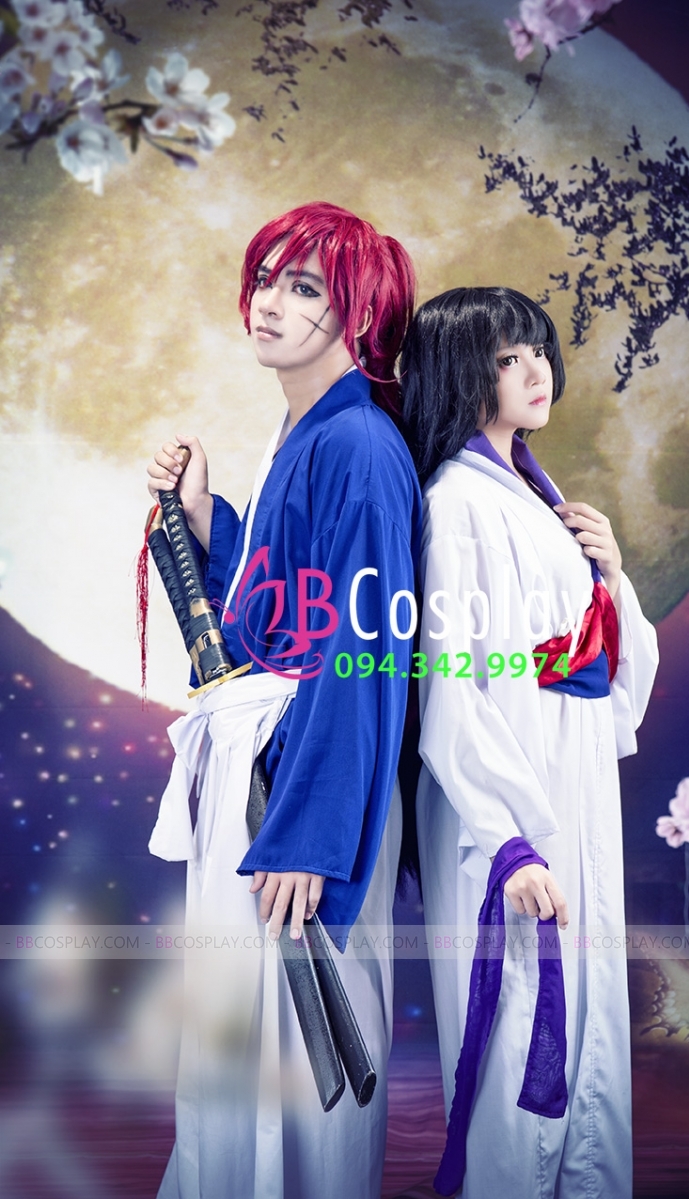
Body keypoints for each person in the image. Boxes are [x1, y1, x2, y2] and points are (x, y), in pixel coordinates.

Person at [146, 201, 422, 1199]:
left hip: (305, 779)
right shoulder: (310, 430)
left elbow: (363, 652)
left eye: (303, 286)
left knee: (296, 1050)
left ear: (361, 313)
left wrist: (310, 830)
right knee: (242, 1035)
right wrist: (204, 519)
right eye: (267, 277)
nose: (269, 300)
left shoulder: (359, 446)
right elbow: (277, 611)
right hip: (275, 760)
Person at [401, 287, 658, 1198]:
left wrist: (612, 575)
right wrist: (506, 837)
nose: (535, 370)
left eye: (538, 349)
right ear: (461, 373)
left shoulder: (540, 503)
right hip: (511, 811)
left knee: (583, 1021)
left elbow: (607, 678)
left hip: (573, 787)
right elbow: (450, 684)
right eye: (507, 358)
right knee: (518, 1027)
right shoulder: (455, 503)